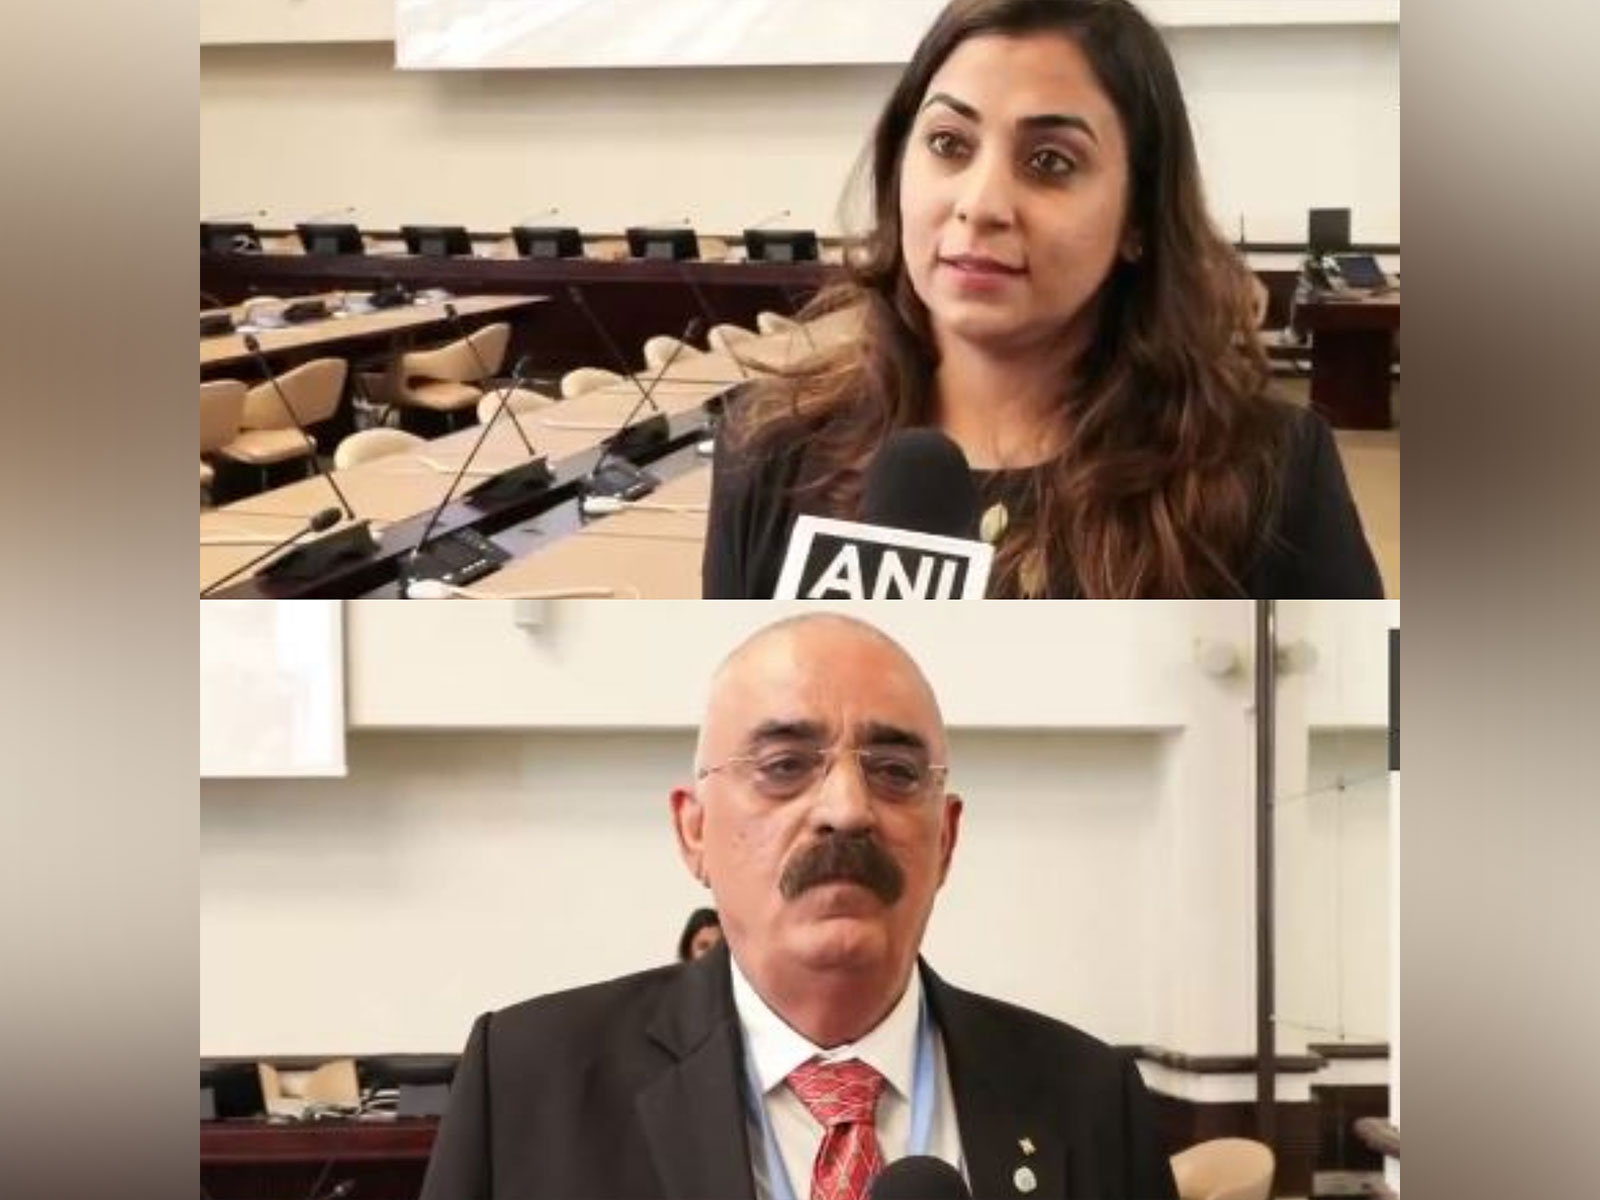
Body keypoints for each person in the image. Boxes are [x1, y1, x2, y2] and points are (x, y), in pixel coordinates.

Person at [419, 613, 1176, 1200]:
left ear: (944, 840)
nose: (847, 810)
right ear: (695, 831)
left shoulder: (1089, 1099)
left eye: (896, 771)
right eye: (784, 767)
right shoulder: (529, 1083)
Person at [703, 0, 1382, 599]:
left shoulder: (1268, 474)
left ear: (1138, 219)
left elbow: (1376, 738)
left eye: (1050, 162)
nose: (981, 204)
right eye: (949, 144)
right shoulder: (770, 453)